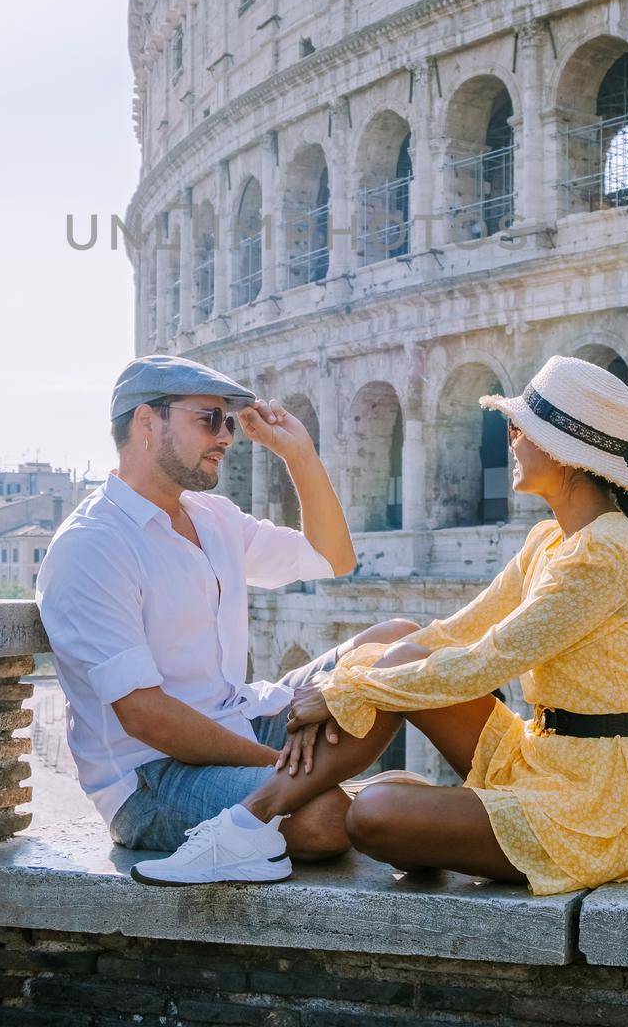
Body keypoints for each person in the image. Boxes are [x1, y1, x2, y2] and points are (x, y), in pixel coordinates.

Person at [134, 354, 628, 897]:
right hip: (548, 760)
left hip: (599, 803)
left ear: (566, 454)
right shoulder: (551, 540)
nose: (509, 438)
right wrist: (352, 680)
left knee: (372, 815)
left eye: (520, 428)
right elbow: (456, 632)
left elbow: (487, 661)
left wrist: (343, 689)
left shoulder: (601, 555)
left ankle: (247, 822)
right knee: (399, 647)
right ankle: (253, 827)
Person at [36, 354, 420, 885]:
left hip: (239, 716)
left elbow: (334, 557)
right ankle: (357, 797)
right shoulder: (92, 545)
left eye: (229, 421)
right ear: (147, 422)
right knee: (323, 818)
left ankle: (337, 797)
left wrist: (299, 453)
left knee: (402, 646)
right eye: (209, 420)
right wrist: (282, 768)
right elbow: (147, 716)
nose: (227, 437)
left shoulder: (212, 518)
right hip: (151, 778)